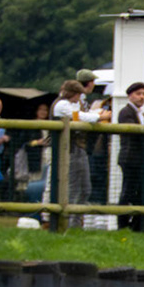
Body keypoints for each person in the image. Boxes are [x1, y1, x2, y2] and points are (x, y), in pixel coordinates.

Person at [52, 78, 109, 230]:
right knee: (73, 188)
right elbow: (82, 117)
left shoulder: (72, 104)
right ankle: (66, 225)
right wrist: (101, 117)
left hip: (78, 149)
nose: (79, 98)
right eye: (78, 94)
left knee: (85, 188)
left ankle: (76, 224)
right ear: (73, 93)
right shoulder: (62, 105)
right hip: (69, 150)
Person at [114, 81, 144, 231]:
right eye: (138, 94)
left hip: (139, 159)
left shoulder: (140, 113)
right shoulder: (126, 112)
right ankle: (123, 224)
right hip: (131, 158)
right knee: (128, 192)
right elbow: (134, 131)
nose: (142, 97)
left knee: (140, 192)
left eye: (143, 94)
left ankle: (137, 225)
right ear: (130, 96)